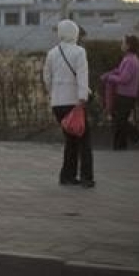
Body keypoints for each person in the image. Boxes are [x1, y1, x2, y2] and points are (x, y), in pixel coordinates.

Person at [43, 19, 95, 188]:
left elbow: (47, 77)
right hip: (74, 102)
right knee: (83, 141)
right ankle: (86, 177)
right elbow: (82, 76)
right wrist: (82, 98)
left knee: (70, 140)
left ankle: (67, 176)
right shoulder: (79, 52)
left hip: (58, 103)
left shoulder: (52, 53)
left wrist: (53, 93)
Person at [100, 34, 139, 150]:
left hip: (126, 95)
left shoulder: (131, 60)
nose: (121, 45)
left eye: (123, 43)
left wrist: (108, 77)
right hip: (124, 95)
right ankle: (120, 146)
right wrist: (111, 72)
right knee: (119, 121)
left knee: (119, 121)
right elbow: (120, 71)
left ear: (128, 45)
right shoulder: (128, 58)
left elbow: (124, 79)